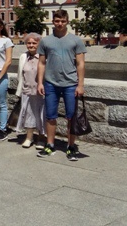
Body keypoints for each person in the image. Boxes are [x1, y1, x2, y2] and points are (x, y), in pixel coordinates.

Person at [37, 10, 86, 161]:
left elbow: (80, 63)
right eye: (57, 21)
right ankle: (50, 144)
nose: (60, 24)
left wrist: (81, 85)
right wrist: (40, 82)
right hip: (51, 83)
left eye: (63, 21)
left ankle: (71, 146)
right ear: (53, 21)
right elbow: (41, 63)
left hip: (70, 84)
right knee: (50, 116)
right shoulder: (45, 41)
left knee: (71, 117)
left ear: (67, 22)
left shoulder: (76, 40)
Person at [15, 33, 46, 149]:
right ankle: (29, 137)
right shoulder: (23, 56)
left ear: (39, 44)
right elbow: (20, 75)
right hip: (27, 90)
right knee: (29, 114)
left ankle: (41, 138)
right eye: (29, 43)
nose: (31, 45)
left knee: (42, 115)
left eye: (34, 43)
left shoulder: (44, 56)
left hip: (41, 91)